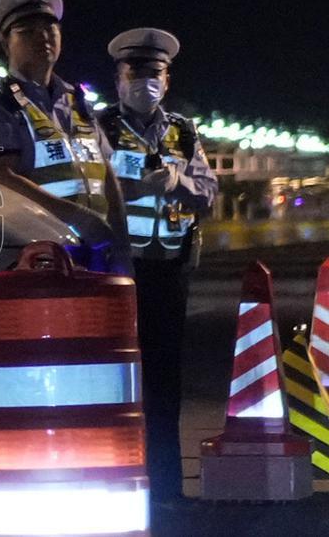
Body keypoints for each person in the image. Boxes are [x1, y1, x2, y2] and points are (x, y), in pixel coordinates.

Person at [98, 27, 217, 501]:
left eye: (155, 73)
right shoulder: (100, 127)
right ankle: (120, 479)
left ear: (167, 81)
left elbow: (208, 194)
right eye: (136, 71)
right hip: (119, 273)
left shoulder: (183, 132)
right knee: (119, 380)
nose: (145, 80)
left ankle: (166, 484)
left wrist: (178, 184)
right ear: (119, 78)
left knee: (165, 384)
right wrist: (137, 184)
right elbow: (91, 185)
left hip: (170, 273)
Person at [0, 0, 132, 272]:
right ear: (7, 45)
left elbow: (107, 172)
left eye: (49, 28)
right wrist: (76, 217)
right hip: (39, 259)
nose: (42, 37)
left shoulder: (77, 101)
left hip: (97, 255)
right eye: (27, 32)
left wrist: (120, 242)